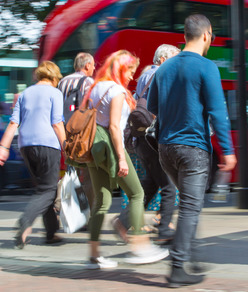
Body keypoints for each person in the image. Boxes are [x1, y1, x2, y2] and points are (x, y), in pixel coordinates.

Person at [147, 15, 237, 287]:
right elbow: (218, 113)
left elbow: (153, 107)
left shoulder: (163, 69)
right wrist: (229, 151)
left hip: (165, 149)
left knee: (188, 204)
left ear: (185, 35)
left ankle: (192, 256)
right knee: (190, 207)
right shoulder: (207, 67)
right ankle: (177, 268)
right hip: (193, 148)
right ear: (207, 35)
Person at [84, 50, 169, 269]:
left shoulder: (95, 88)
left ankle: (93, 256)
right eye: (130, 71)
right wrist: (121, 158)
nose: (132, 76)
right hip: (111, 147)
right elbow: (114, 126)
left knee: (101, 201)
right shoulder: (117, 90)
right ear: (121, 69)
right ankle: (140, 247)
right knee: (137, 193)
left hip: (94, 149)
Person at [0, 61, 66, 249]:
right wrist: (66, 145)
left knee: (43, 189)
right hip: (48, 144)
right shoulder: (55, 93)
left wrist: (3, 147)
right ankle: (25, 221)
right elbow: (57, 123)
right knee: (49, 190)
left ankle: (51, 233)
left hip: (25, 146)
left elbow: (13, 123)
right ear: (54, 76)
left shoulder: (25, 94)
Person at [114, 44, 180, 243]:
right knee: (169, 185)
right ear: (162, 59)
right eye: (174, 59)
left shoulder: (145, 75)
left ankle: (123, 221)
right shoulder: (163, 73)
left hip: (141, 137)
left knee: (151, 185)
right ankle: (165, 230)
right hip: (155, 136)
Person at [58, 52, 96, 211]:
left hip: (65, 132)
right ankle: (87, 213)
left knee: (70, 171)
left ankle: (63, 206)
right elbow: (93, 108)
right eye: (93, 65)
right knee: (87, 174)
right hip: (82, 135)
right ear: (87, 65)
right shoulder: (88, 82)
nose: (94, 68)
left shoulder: (62, 82)